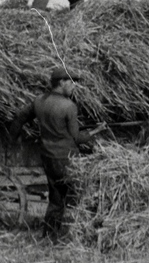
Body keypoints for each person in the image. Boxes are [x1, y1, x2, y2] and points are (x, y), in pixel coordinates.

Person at [16, 71, 94, 239]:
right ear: (61, 83)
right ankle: (83, 235)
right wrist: (94, 132)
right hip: (67, 159)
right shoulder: (69, 106)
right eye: (72, 83)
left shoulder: (39, 101)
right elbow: (76, 138)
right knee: (82, 195)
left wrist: (13, 136)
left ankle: (50, 236)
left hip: (48, 157)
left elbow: (21, 117)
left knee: (56, 198)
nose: (74, 86)